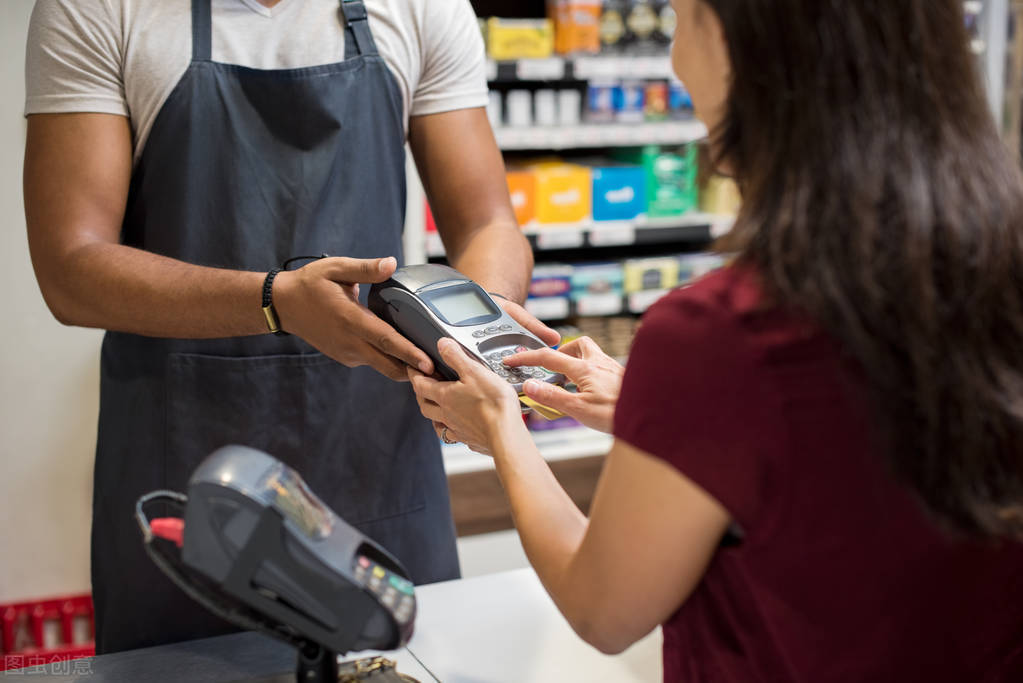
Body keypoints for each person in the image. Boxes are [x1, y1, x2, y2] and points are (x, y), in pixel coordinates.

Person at [409, 0, 1023, 680]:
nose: (675, 62)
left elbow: (602, 610)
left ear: (739, 47)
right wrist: (659, 414)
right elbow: (853, 455)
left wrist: (502, 427)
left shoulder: (719, 334)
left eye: (681, 18)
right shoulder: (991, 266)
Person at [23, 0, 558, 654]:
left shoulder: (421, 8)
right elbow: (70, 267)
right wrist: (273, 301)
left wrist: (475, 318)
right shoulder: (98, 9)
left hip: (377, 457)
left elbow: (487, 223)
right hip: (187, 467)